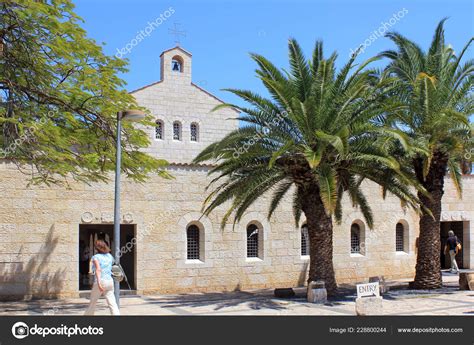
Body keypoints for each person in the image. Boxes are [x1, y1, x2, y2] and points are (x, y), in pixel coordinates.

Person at [84, 239, 120, 315]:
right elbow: (113, 266)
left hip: (101, 281)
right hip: (110, 281)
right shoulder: (110, 256)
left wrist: (99, 283)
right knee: (112, 303)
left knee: (93, 302)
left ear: (97, 248)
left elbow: (98, 270)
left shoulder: (95, 257)